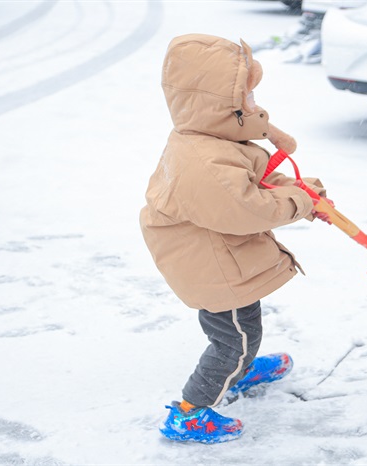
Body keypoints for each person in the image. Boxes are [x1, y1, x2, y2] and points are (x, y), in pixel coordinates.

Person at [139, 34, 329, 444]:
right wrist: (299, 202)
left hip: (218, 259)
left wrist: (304, 193)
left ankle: (237, 370)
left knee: (241, 331)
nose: (254, 103)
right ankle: (189, 413)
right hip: (213, 267)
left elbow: (257, 176)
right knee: (233, 341)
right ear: (217, 104)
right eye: (246, 95)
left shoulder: (213, 139)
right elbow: (249, 209)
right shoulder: (204, 160)